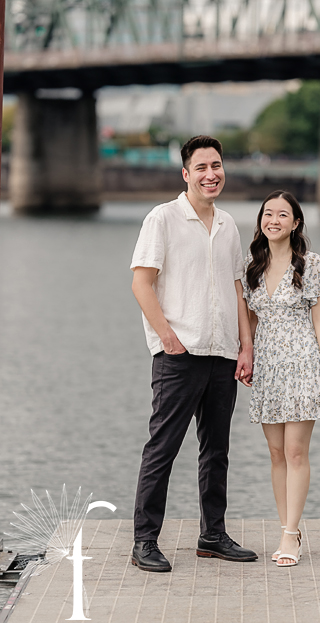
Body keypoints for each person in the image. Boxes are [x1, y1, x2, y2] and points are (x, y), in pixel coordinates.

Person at [130, 135, 258, 572]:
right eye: (201, 167)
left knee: (216, 450)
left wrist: (246, 347)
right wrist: (167, 337)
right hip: (178, 355)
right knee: (162, 448)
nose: (211, 174)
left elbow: (238, 290)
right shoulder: (162, 218)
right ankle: (145, 541)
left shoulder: (228, 226)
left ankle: (212, 535)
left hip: (223, 354)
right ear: (186, 174)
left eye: (217, 166)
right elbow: (141, 283)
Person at [241, 191, 320, 567]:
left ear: (296, 223)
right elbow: (249, 320)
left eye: (283, 215)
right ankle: (286, 526)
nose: (274, 220)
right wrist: (245, 357)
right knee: (276, 453)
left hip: (301, 363)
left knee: (296, 452)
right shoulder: (252, 265)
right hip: (267, 366)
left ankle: (290, 535)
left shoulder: (311, 264)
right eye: (268, 214)